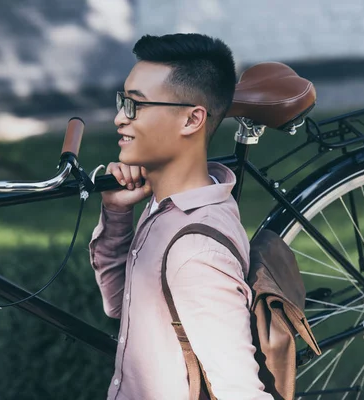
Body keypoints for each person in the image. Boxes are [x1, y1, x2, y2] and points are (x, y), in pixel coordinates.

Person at [89, 33, 273, 400]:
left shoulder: (197, 252)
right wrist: (116, 213)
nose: (118, 118)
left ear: (191, 119)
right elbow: (120, 303)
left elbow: (240, 391)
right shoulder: (167, 205)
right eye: (122, 101)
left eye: (135, 106)